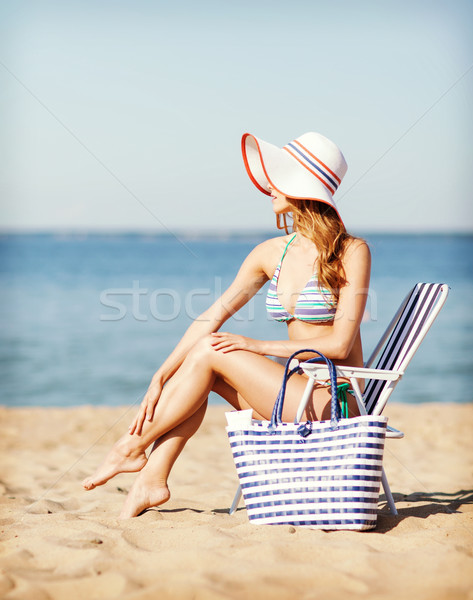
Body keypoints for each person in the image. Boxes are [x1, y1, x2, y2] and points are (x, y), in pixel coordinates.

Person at [82, 131, 371, 519]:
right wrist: (161, 374)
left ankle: (131, 449)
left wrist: (254, 345)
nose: (269, 186)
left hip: (332, 403)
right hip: (290, 395)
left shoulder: (351, 251)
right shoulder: (272, 253)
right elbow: (212, 316)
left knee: (212, 352)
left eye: (279, 177)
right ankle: (151, 478)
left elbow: (338, 347)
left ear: (301, 188)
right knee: (206, 363)